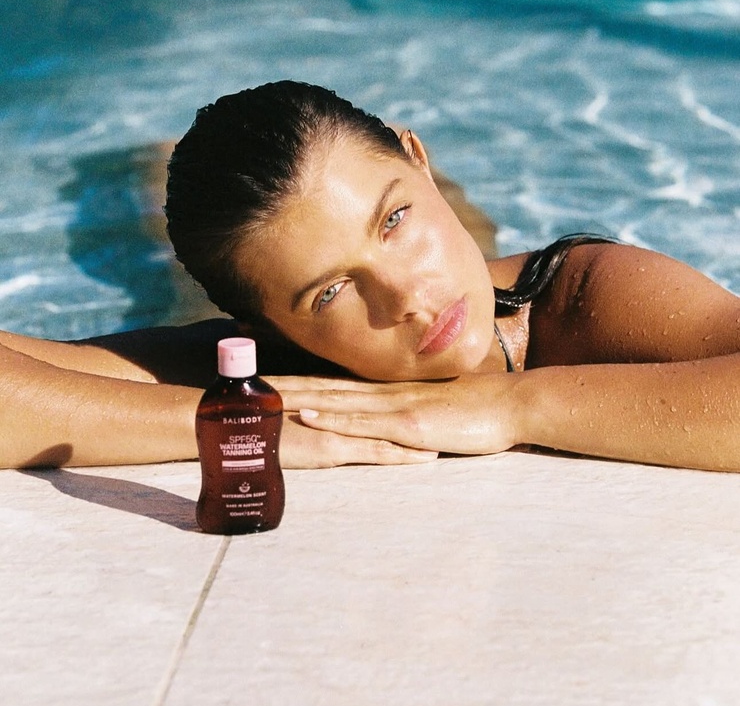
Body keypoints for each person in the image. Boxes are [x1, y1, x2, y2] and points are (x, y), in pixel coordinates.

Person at [1, 81, 738, 471]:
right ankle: (152, 162)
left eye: (396, 219)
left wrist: (512, 406)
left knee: (473, 251)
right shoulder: (277, 371)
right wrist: (235, 426)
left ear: (419, 158)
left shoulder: (580, 294)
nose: (408, 296)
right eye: (331, 291)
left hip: (491, 272)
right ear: (268, 328)